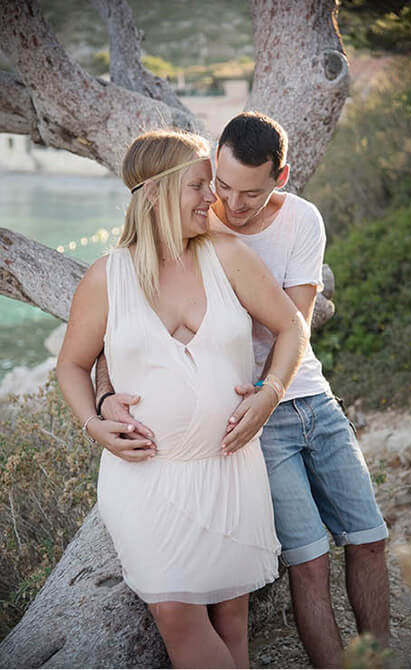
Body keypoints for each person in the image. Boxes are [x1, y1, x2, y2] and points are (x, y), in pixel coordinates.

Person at [95, 112, 390, 668]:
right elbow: (118, 336)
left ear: (281, 177)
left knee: (370, 539)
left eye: (246, 192)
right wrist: (106, 398)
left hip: (299, 395)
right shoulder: (194, 219)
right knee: (308, 560)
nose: (227, 202)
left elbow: (293, 323)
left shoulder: (295, 221)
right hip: (238, 426)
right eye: (218, 184)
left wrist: (271, 389)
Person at [56, 129, 307, 668]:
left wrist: (271, 392)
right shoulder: (108, 277)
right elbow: (72, 364)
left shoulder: (227, 256)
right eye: (198, 185)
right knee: (176, 615)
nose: (212, 198)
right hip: (148, 478)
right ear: (155, 192)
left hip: (230, 469)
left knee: (232, 621)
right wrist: (91, 421)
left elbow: (292, 328)